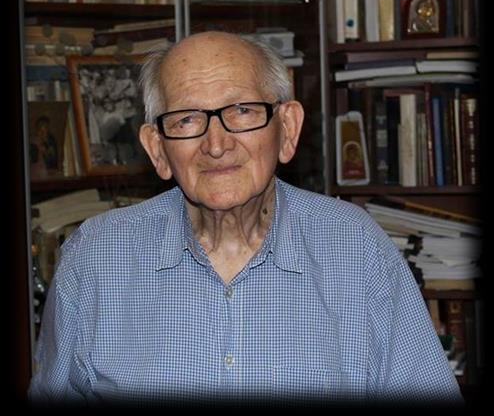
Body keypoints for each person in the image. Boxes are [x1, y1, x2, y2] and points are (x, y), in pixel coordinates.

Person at [28, 31, 462, 408]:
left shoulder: (357, 248)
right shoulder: (96, 257)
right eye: (187, 119)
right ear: (157, 149)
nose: (216, 144)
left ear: (287, 129)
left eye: (242, 111)